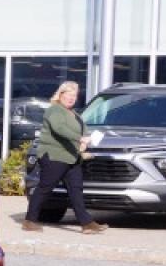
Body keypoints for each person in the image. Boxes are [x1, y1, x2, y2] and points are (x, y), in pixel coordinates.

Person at [23, 80, 107, 233]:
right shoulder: (54, 110)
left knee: (76, 190)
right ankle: (30, 221)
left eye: (74, 95)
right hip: (54, 156)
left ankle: (87, 223)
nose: (71, 97)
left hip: (71, 157)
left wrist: (85, 140)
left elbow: (84, 131)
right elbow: (59, 128)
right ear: (60, 95)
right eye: (68, 94)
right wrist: (79, 139)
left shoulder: (74, 114)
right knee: (44, 188)